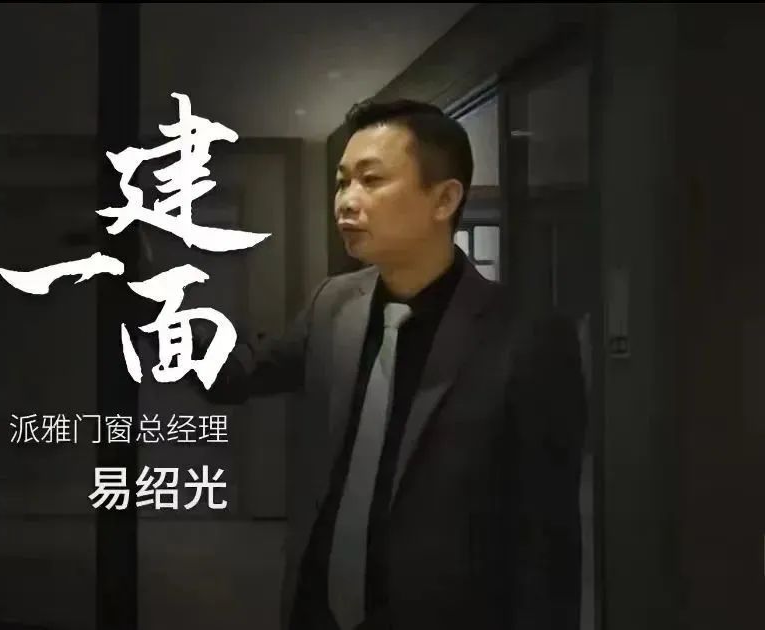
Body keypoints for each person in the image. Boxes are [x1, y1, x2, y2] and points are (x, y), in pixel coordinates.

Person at [194, 98, 588, 630]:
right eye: (342, 182)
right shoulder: (333, 304)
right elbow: (235, 376)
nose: (346, 201)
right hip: (319, 609)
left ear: (444, 199)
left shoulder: (526, 335)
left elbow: (546, 542)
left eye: (371, 179)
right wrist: (154, 306)